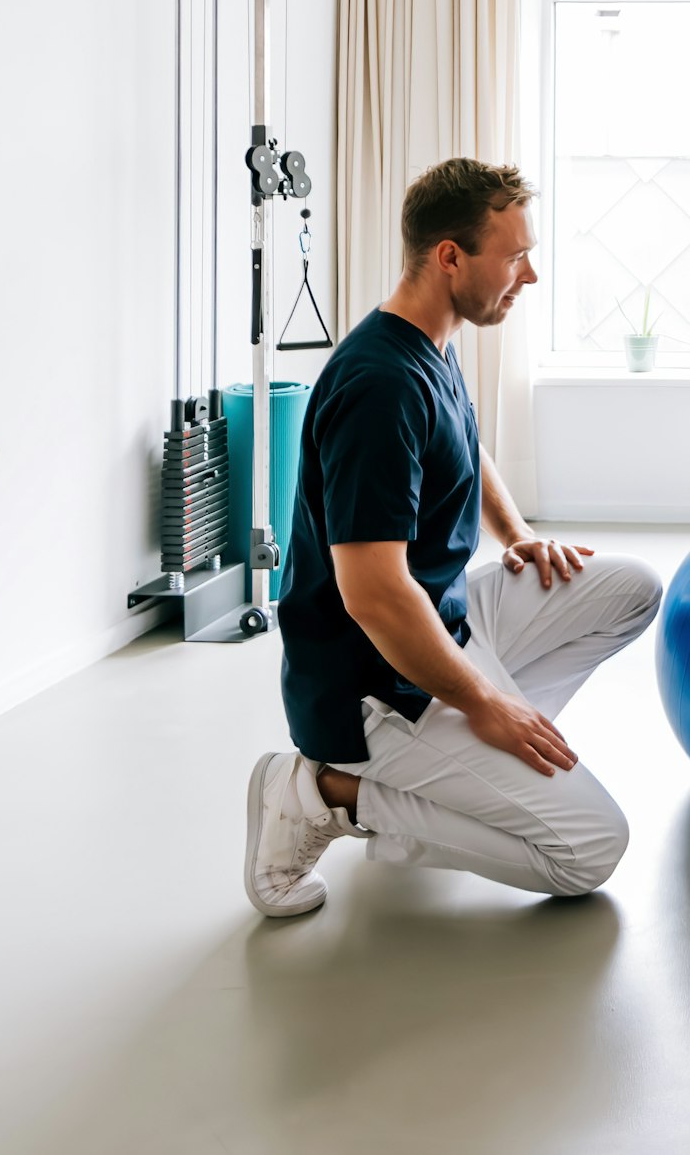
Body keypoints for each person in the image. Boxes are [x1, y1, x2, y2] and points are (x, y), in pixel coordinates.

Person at [242, 157, 663, 917]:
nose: (528, 275)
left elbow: (464, 443)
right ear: (450, 257)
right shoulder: (379, 388)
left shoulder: (432, 337)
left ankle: (464, 769)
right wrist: (482, 704)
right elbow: (372, 592)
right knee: (589, 851)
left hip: (442, 620)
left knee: (631, 587)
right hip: (373, 686)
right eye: (515, 256)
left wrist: (518, 533)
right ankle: (325, 792)